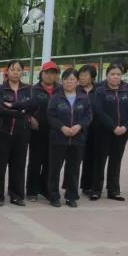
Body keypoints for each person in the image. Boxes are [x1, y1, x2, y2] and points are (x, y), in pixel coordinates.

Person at [46, 68, 92, 208]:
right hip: (58, 139)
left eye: (72, 79)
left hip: (77, 139)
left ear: (77, 82)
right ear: (62, 81)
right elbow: (50, 116)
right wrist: (62, 127)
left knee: (73, 170)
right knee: (54, 169)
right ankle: (53, 196)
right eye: (66, 79)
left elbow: (88, 116)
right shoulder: (55, 97)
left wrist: (79, 126)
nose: (69, 82)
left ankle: (71, 196)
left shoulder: (84, 98)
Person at [0, 60, 35, 206]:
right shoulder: (0, 89)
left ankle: (16, 195)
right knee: (0, 165)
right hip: (3, 132)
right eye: (12, 69)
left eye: (18, 70)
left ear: (22, 72)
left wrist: (14, 106)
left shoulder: (28, 89)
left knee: (19, 165)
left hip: (22, 132)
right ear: (7, 71)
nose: (15, 72)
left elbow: (32, 105)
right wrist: (21, 112)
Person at [89, 63, 128, 201]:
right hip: (104, 132)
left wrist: (126, 126)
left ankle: (113, 190)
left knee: (116, 161)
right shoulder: (100, 91)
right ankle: (96, 190)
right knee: (99, 161)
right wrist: (113, 126)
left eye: (118, 74)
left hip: (122, 133)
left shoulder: (127, 91)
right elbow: (99, 111)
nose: (115, 77)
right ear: (107, 75)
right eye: (112, 74)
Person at [26, 62, 59, 202]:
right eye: (47, 72)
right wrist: (30, 118)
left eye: (53, 73)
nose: (49, 75)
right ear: (41, 74)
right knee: (35, 161)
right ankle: (32, 190)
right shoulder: (33, 90)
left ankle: (45, 188)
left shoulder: (60, 90)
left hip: (56, 131)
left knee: (50, 162)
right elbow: (25, 108)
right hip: (37, 131)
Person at [77, 64, 100, 196]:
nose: (82, 78)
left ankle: (88, 186)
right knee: (76, 158)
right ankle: (70, 186)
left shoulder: (99, 91)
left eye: (85, 75)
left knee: (92, 157)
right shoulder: (75, 90)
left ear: (92, 77)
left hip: (95, 129)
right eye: (80, 75)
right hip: (78, 128)